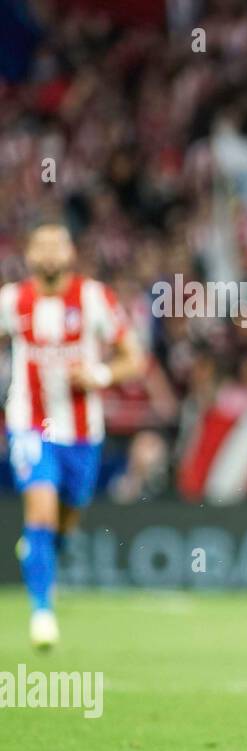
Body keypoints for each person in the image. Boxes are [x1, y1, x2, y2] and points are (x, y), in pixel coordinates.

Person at [0, 222, 145, 647]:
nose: (47, 254)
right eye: (39, 246)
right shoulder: (11, 300)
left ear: (69, 253)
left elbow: (134, 358)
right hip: (29, 423)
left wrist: (99, 374)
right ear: (29, 255)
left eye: (55, 246)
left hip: (82, 432)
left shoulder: (93, 297)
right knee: (40, 511)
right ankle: (42, 613)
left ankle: (41, 551)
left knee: (67, 515)